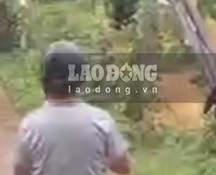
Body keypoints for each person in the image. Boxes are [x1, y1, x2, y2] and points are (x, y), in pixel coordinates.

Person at [13, 41, 133, 175]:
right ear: (80, 78)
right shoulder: (101, 121)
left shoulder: (30, 126)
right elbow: (123, 168)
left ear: (45, 79)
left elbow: (21, 172)